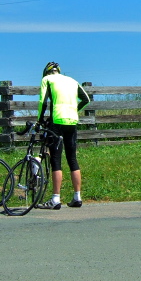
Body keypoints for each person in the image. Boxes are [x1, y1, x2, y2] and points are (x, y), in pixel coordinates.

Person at [34, 61, 90, 210]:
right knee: (72, 158)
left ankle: (55, 199)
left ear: (47, 72)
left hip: (57, 121)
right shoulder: (72, 80)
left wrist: (39, 121)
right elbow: (87, 99)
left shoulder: (47, 80)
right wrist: (74, 110)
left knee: (56, 159)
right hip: (72, 121)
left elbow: (43, 101)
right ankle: (77, 197)